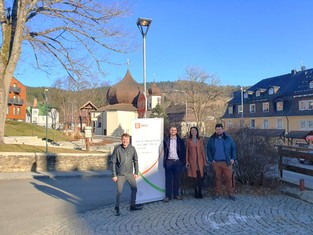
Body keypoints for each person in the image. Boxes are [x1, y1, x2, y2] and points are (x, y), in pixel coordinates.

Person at [111, 133, 143, 216]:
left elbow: (135, 160)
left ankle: (132, 205)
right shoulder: (117, 149)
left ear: (129, 140)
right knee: (119, 192)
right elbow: (113, 163)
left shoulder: (132, 149)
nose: (125, 141)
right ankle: (117, 208)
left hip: (130, 174)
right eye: (124, 140)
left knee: (134, 189)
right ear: (121, 140)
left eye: (127, 140)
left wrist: (136, 172)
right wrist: (114, 175)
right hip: (120, 175)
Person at [207, 123, 236, 201]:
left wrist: (233, 158)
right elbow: (208, 150)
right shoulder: (212, 139)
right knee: (218, 178)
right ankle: (218, 193)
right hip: (216, 162)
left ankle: (230, 193)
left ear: (223, 130)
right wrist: (211, 159)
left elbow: (233, 148)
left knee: (229, 178)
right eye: (217, 129)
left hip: (227, 162)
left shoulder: (228, 138)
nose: (219, 131)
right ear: (215, 130)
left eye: (220, 129)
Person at [163, 126, 186, 203]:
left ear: (176, 131)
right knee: (168, 180)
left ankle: (176, 194)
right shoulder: (166, 140)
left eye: (174, 130)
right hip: (169, 161)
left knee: (177, 179)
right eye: (171, 130)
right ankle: (168, 196)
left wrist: (182, 162)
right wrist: (165, 161)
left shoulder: (181, 141)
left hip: (177, 161)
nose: (173, 131)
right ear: (169, 131)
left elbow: (183, 152)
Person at [186, 126, 207, 199]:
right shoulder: (188, 141)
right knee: (194, 178)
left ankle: (200, 191)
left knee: (200, 177)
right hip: (192, 162)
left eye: (195, 131)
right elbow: (187, 152)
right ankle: (195, 192)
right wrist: (187, 161)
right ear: (190, 132)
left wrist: (204, 161)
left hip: (200, 161)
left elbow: (203, 151)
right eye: (192, 131)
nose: (193, 132)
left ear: (197, 132)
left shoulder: (200, 140)